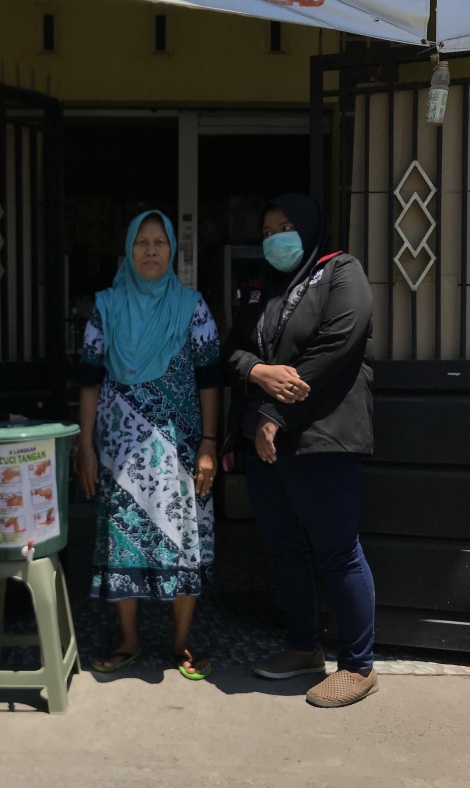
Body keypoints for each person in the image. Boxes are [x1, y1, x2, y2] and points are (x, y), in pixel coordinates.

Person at [222, 193, 377, 708]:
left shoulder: (341, 273)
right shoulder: (259, 291)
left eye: (285, 226)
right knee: (286, 549)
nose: (276, 238)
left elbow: (337, 346)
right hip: (268, 448)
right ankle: (302, 648)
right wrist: (255, 372)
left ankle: (358, 666)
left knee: (337, 549)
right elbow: (232, 352)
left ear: (310, 228)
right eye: (267, 231)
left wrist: (274, 412)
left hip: (323, 437)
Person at [77, 211, 220, 679]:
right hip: (120, 450)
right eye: (143, 242)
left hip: (179, 449)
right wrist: (87, 446)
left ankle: (181, 642)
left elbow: (210, 378)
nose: (152, 250)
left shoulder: (191, 306)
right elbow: (89, 380)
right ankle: (129, 638)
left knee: (184, 539)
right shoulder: (106, 306)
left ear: (173, 249)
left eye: (160, 242)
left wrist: (208, 444)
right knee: (123, 539)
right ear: (129, 250)